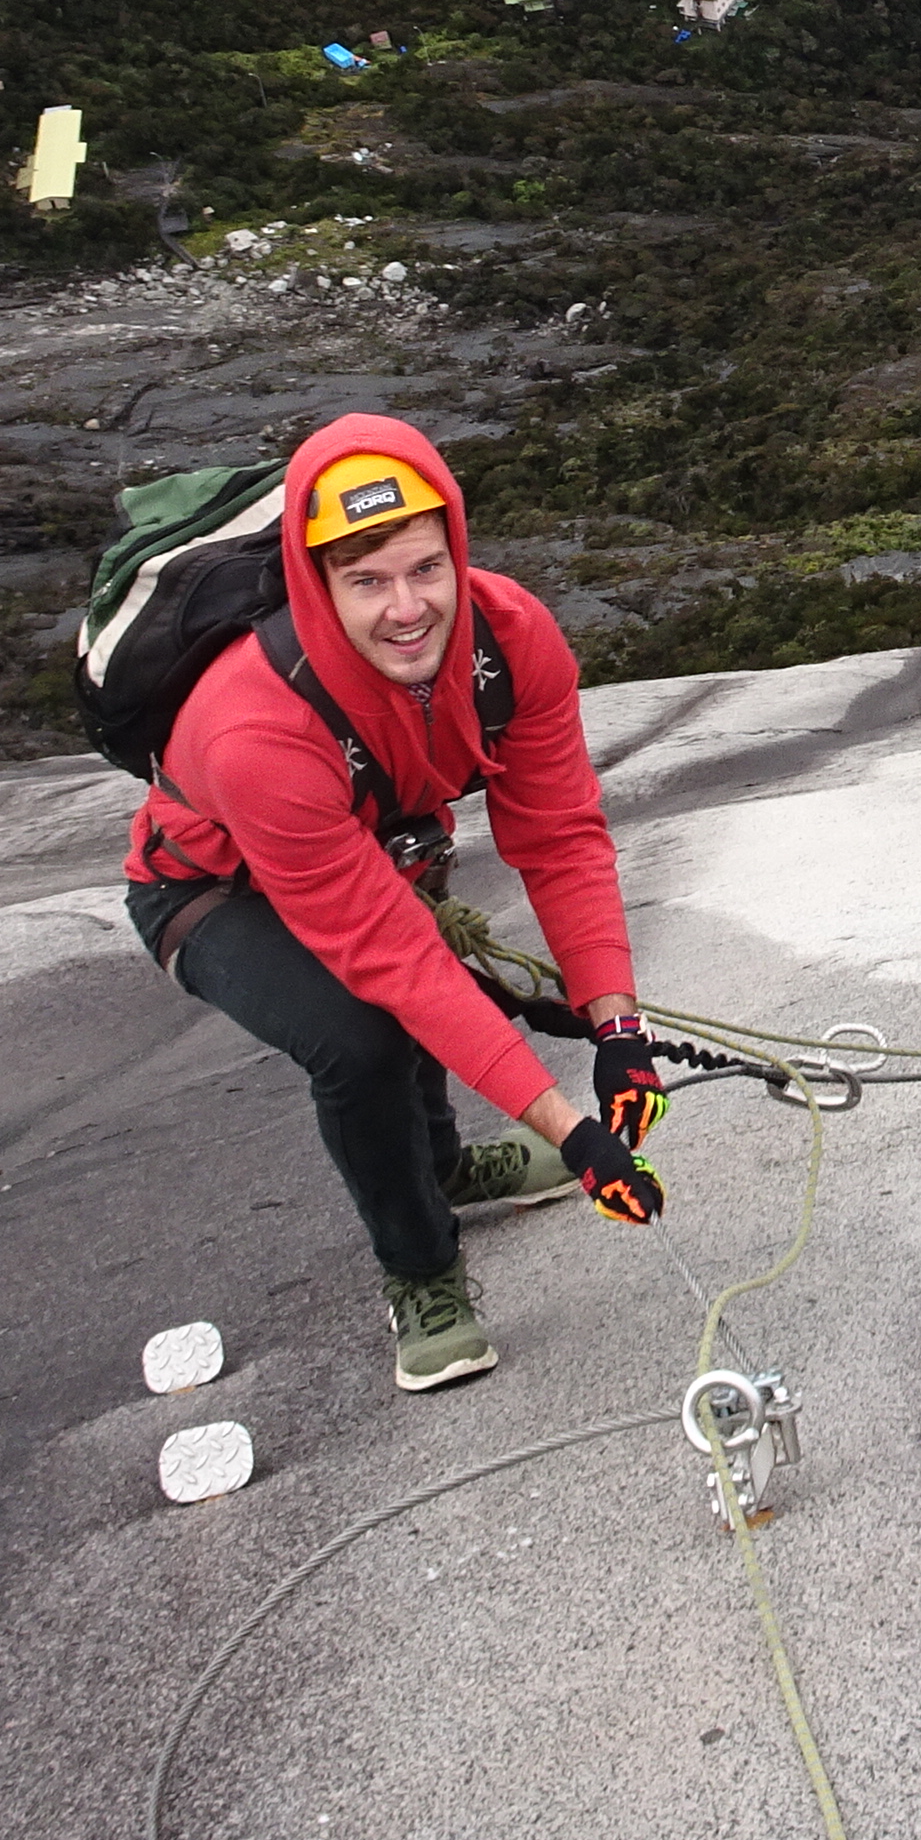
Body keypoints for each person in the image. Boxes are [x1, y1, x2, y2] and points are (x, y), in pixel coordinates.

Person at [125, 415, 664, 1392]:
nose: (406, 608)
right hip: (211, 890)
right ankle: (421, 1271)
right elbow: (391, 956)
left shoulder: (512, 639)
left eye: (425, 569)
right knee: (360, 1039)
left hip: (375, 842)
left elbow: (559, 836)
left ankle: (448, 1166)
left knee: (417, 985)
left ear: (458, 552)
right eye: (365, 581)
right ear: (317, 588)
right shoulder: (254, 725)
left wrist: (618, 1029)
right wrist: (573, 1136)